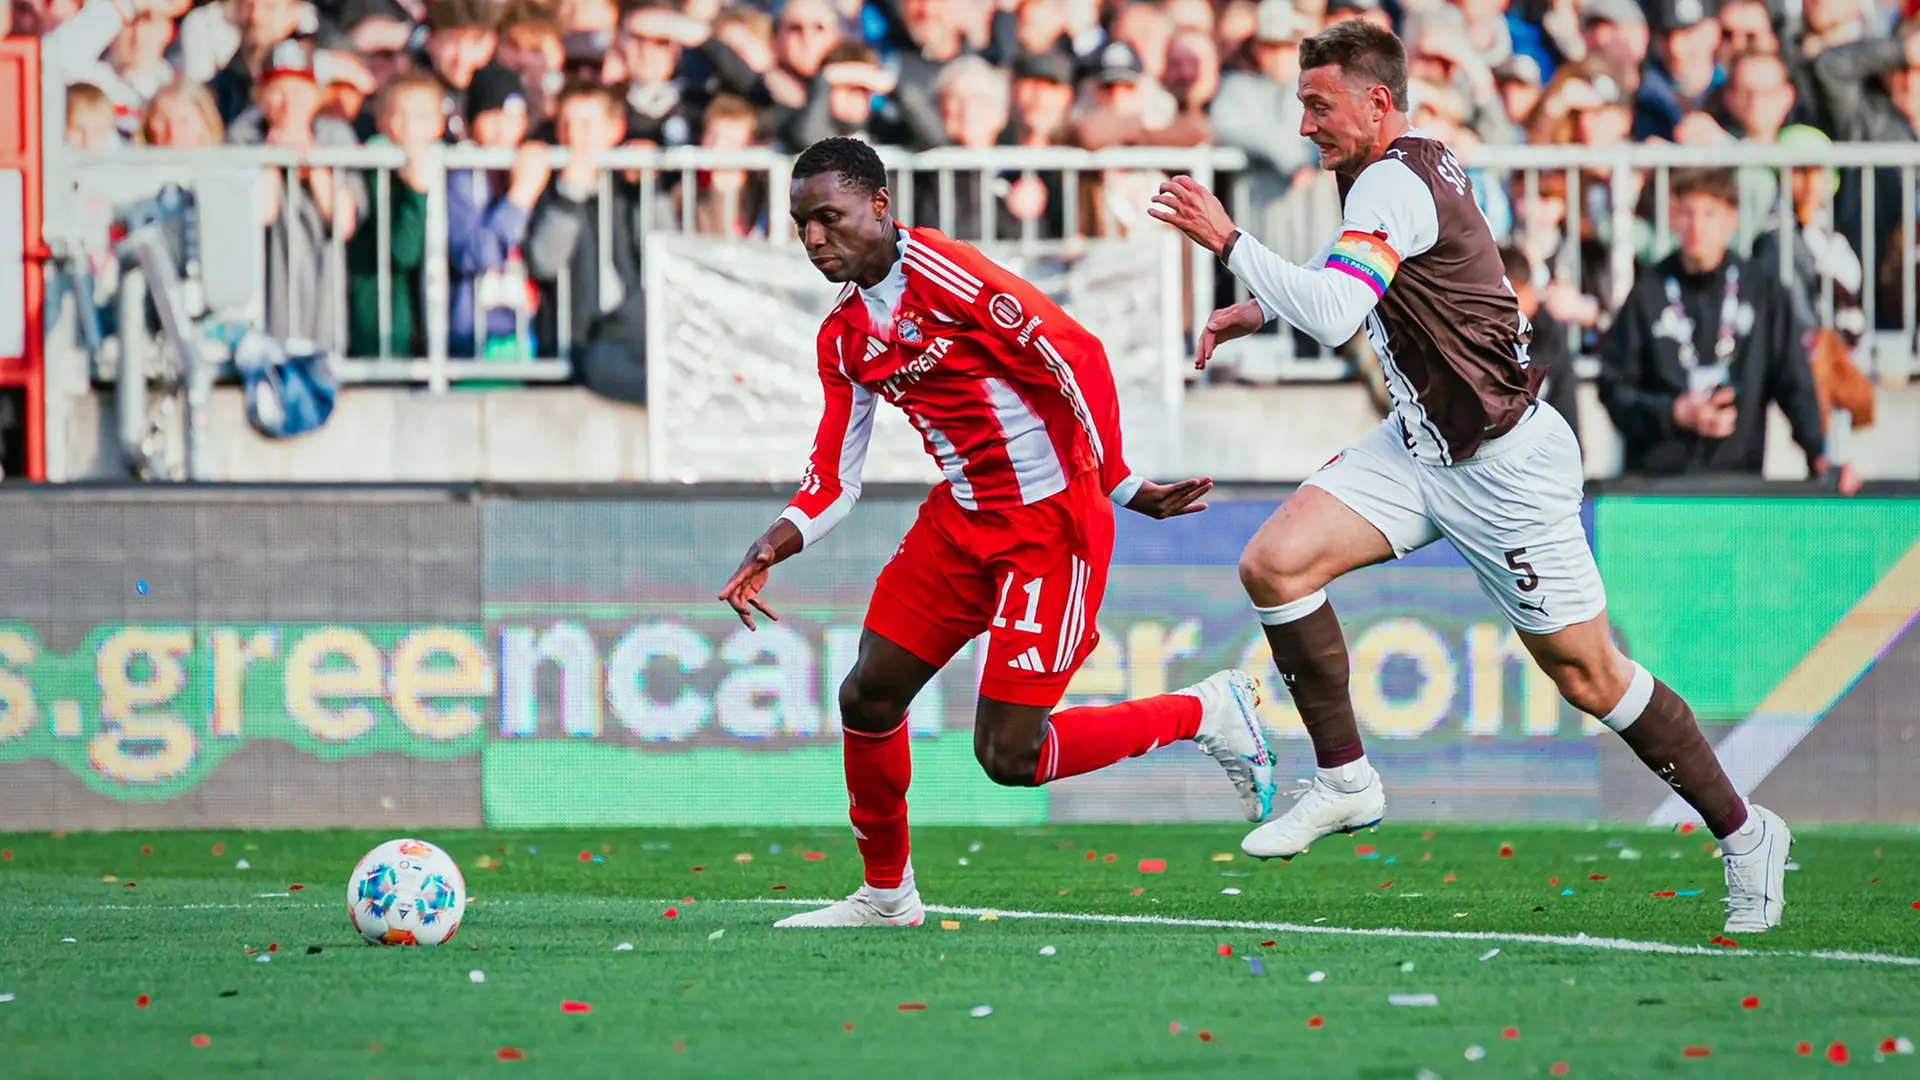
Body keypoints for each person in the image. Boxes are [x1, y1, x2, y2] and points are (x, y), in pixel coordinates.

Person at [1148, 19, 1792, 935]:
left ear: (1378, 101)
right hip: (1420, 443)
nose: (1304, 125)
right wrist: (1260, 305)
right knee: (1275, 564)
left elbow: (1336, 313)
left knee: (1592, 677)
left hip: (1502, 466)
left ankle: (1746, 832)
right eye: (1301, 105)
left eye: (1319, 106)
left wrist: (1229, 240)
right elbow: (1378, 279)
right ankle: (1345, 779)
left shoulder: (1392, 179)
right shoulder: (1403, 164)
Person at [719, 137, 1275, 929]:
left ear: (879, 205)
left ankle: (1205, 710)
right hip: (960, 522)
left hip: (1052, 522)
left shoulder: (947, 274)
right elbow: (836, 477)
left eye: (828, 218)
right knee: (867, 694)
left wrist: (1120, 481)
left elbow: (1075, 355)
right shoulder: (843, 337)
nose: (813, 239)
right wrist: (772, 543)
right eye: (801, 224)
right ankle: (886, 896)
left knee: (1009, 756)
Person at [1598, 167, 1847, 489]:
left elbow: (1793, 381)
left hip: (1738, 484)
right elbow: (1615, 388)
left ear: (1732, 219)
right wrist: (1674, 413)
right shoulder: (1648, 293)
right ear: (1673, 218)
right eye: (1687, 213)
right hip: (1658, 487)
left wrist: (1818, 451)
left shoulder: (1762, 291)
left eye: (1709, 214)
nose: (1697, 226)